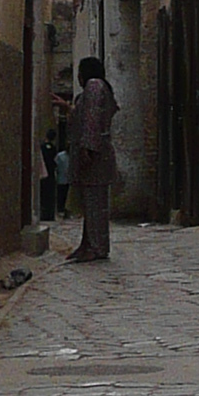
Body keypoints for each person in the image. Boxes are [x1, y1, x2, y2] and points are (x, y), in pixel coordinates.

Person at [68, 55, 118, 262]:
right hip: (98, 156)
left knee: (95, 204)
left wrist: (88, 148)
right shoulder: (96, 88)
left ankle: (97, 248)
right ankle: (88, 244)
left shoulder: (94, 86)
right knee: (91, 204)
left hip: (95, 158)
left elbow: (92, 117)